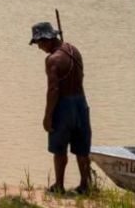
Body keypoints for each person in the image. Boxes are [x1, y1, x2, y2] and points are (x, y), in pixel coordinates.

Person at [31, 21, 93, 194]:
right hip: (81, 103)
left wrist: (47, 116)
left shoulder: (52, 60)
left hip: (64, 105)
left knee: (59, 149)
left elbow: (53, 90)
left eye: (40, 43)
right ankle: (85, 185)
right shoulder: (74, 51)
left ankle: (59, 185)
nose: (39, 47)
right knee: (82, 149)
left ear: (48, 39)